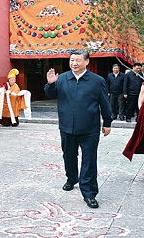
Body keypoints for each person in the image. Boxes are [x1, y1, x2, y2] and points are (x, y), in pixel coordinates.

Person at [44, 49, 112, 209]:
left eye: (78, 60)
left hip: (89, 129)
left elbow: (104, 102)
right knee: (68, 156)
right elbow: (50, 94)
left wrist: (107, 122)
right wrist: (50, 83)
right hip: (67, 127)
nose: (74, 63)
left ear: (87, 62)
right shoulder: (62, 78)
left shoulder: (97, 80)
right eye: (72, 60)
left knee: (89, 161)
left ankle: (89, 193)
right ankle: (71, 178)